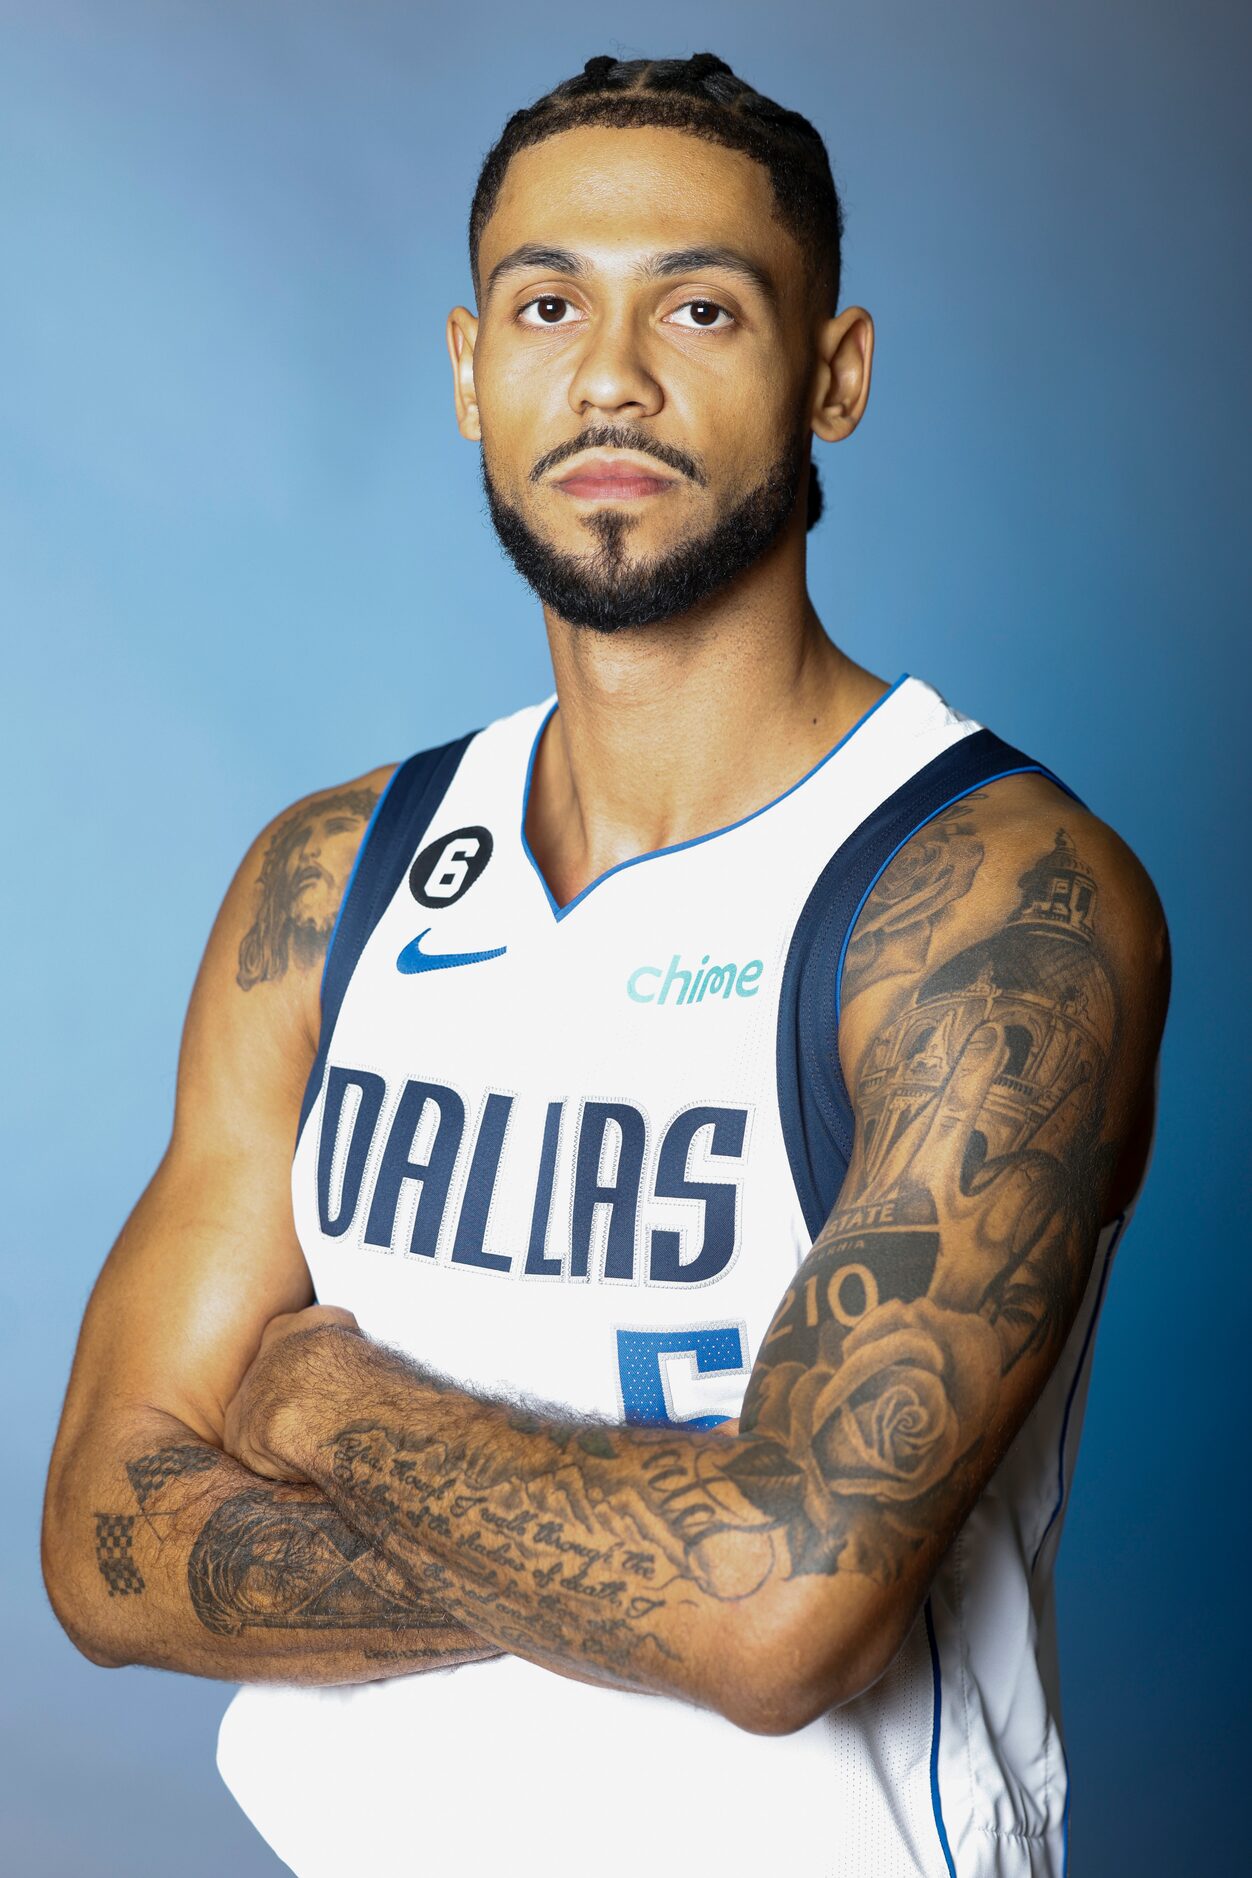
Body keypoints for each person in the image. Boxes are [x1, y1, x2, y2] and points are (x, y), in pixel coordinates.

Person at [42, 51, 1169, 1878]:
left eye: (703, 306)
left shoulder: (986, 899)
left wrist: (323, 1401)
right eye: (548, 302)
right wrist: (677, 1542)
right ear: (474, 372)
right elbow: (107, 1536)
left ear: (836, 373)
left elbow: (785, 1619)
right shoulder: (338, 880)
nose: (614, 374)